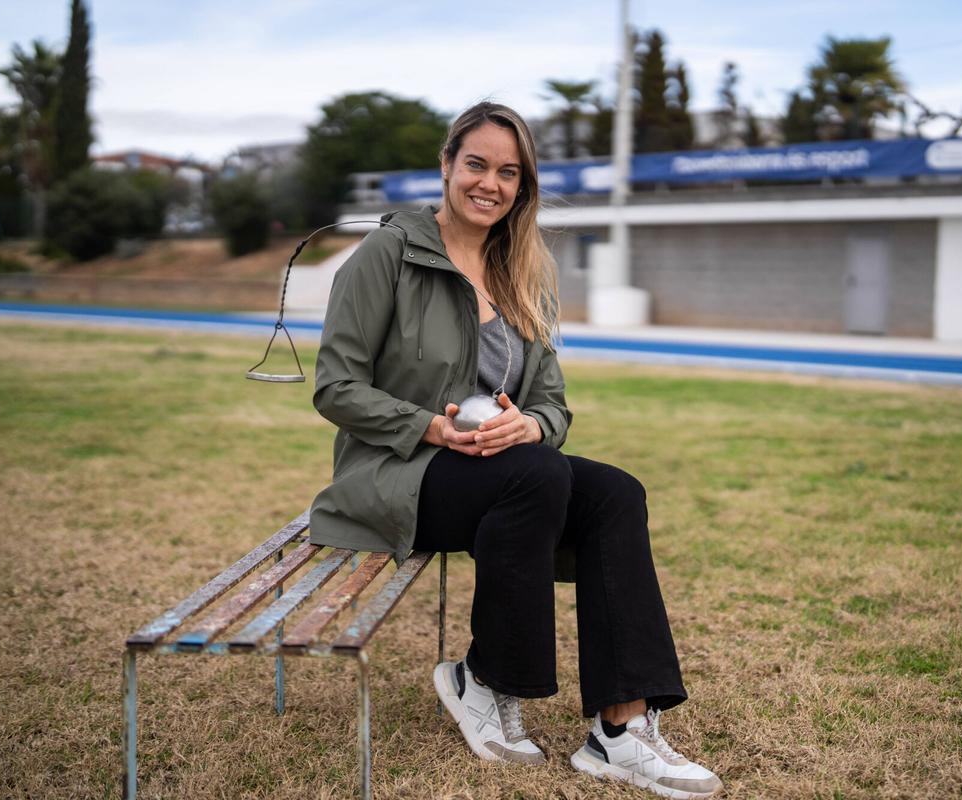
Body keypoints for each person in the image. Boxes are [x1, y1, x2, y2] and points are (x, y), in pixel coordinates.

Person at [308, 101, 722, 799]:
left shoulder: (523, 272)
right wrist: (434, 428)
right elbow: (334, 387)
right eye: (476, 164)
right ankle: (486, 679)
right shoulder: (389, 254)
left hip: (507, 474)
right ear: (446, 165)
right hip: (400, 472)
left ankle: (620, 730)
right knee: (533, 477)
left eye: (509, 173)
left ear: (523, 187)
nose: (489, 184)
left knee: (616, 492)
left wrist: (529, 425)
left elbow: (553, 405)